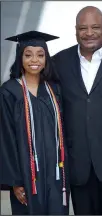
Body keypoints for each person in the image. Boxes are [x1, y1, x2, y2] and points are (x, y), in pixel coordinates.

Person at [52, 6, 102, 215]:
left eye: (95, 27)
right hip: (78, 165)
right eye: (83, 28)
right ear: (75, 30)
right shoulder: (59, 61)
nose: (89, 33)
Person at [0, 31, 69, 215]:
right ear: (20, 57)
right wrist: (15, 181)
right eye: (28, 54)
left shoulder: (54, 90)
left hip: (56, 174)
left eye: (40, 54)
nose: (34, 60)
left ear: (46, 58)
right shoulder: (9, 91)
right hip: (26, 173)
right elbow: (5, 138)